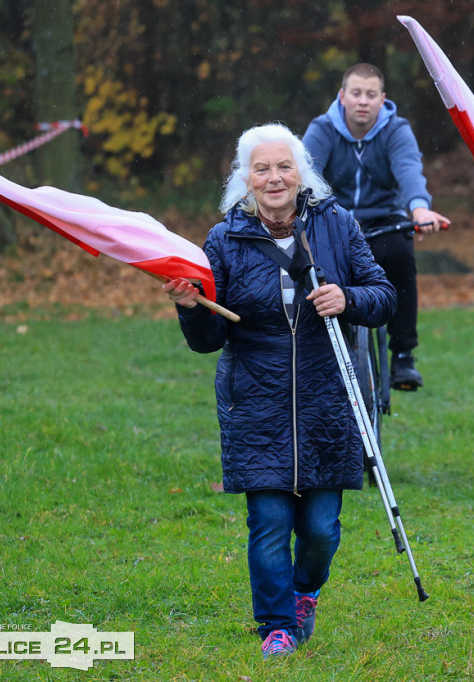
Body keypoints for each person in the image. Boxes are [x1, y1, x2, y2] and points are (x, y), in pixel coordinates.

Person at [162, 123, 395, 660]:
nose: (274, 178)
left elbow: (383, 294)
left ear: (301, 173)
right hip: (255, 400)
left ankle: (305, 594)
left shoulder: (336, 225)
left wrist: (349, 298)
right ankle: (276, 626)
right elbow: (208, 339)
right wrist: (187, 306)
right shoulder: (224, 240)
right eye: (261, 169)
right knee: (268, 524)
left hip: (327, 398)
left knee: (321, 529)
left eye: (283, 167)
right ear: (245, 180)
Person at [303, 63, 450, 391]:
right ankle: (319, 351)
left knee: (400, 257)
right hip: (333, 216)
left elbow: (409, 169)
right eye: (356, 93)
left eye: (371, 95)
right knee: (317, 271)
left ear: (382, 99)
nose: (363, 101)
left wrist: (420, 208)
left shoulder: (395, 131)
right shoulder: (322, 129)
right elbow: (305, 176)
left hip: (383, 217)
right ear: (342, 96)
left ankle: (402, 354)